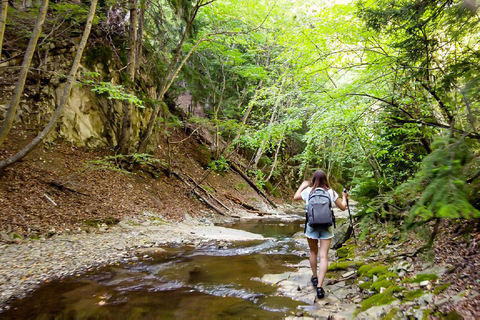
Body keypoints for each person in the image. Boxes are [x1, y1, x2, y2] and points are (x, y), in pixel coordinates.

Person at [293, 169, 348, 299]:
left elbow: (295, 197)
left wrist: (302, 185)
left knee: (313, 252)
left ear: (314, 180)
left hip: (311, 226)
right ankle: (320, 287)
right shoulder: (331, 192)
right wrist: (344, 197)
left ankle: (315, 277)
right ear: (325, 179)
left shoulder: (308, 191)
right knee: (323, 256)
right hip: (327, 227)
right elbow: (343, 207)